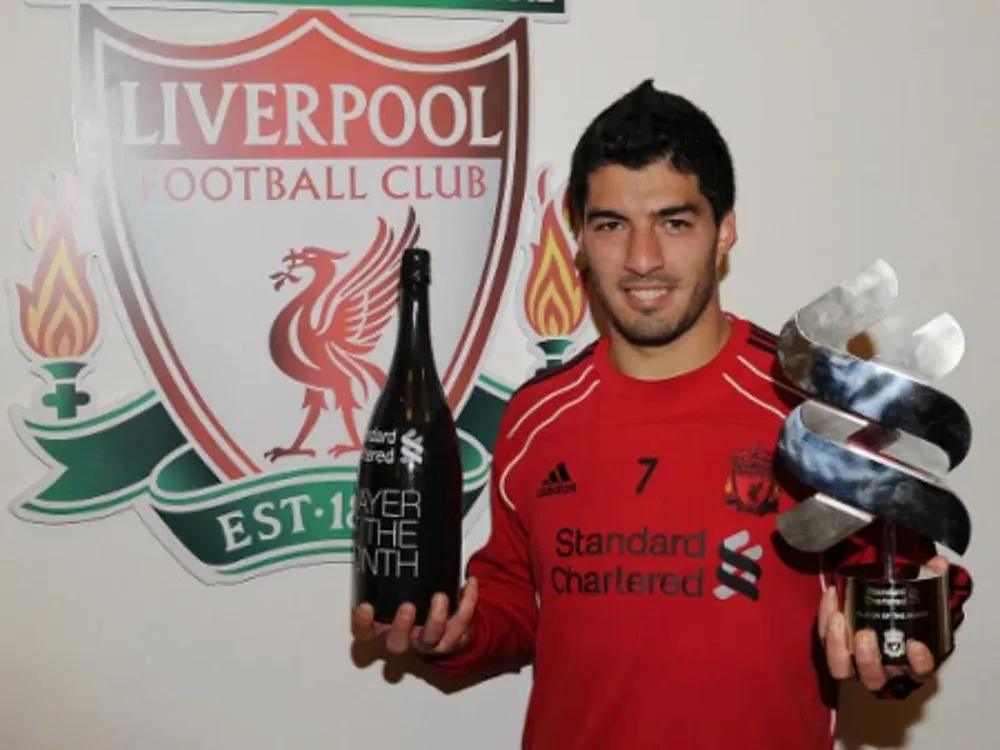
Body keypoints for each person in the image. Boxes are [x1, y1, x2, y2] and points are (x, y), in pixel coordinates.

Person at [351, 79, 974, 749]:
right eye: (612, 224)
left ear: (724, 229)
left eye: (674, 222)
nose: (642, 259)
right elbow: (511, 601)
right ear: (580, 240)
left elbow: (899, 589)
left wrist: (903, 647)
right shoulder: (535, 417)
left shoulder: (810, 407)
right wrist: (458, 635)